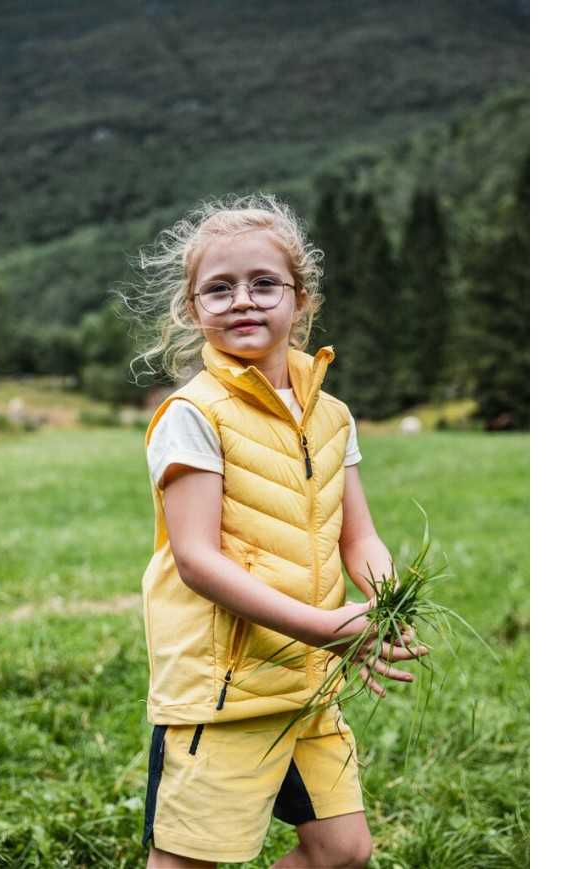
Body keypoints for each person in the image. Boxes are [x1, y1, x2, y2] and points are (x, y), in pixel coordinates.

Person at [126, 193, 428, 868]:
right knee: (187, 861)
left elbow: (360, 537)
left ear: (301, 300)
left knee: (342, 851)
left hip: (308, 681)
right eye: (219, 288)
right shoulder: (192, 414)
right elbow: (198, 558)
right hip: (224, 689)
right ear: (192, 308)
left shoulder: (333, 415)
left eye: (264, 283)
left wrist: (384, 606)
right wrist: (323, 626)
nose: (243, 300)